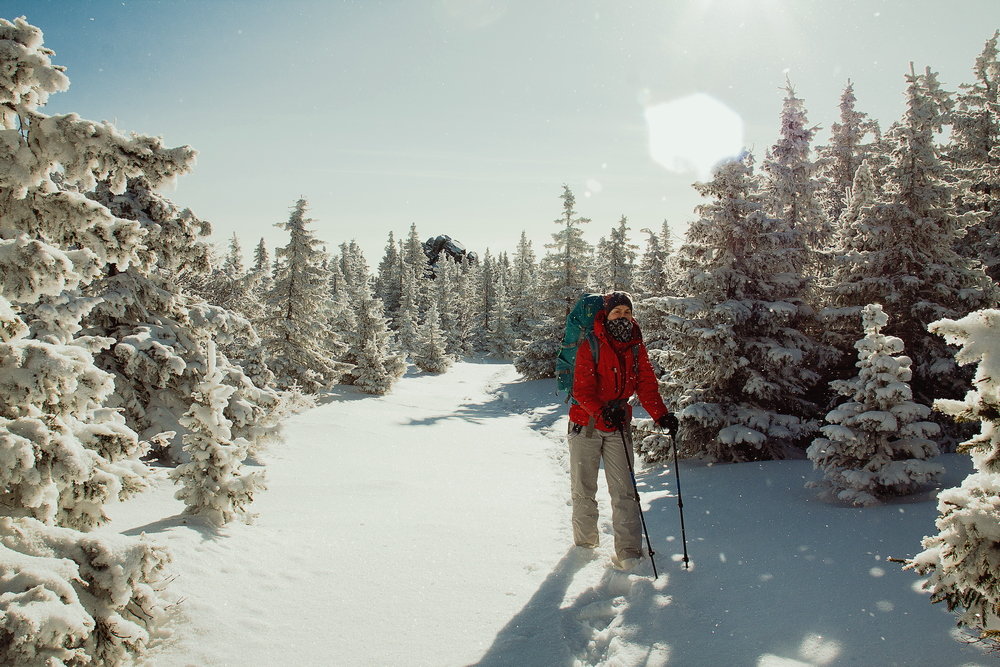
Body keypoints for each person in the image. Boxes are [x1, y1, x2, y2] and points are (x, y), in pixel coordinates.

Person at [568, 291, 678, 570]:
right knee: (584, 490)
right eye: (617, 312)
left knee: (625, 491)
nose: (623, 317)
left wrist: (662, 415)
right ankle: (585, 547)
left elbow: (646, 384)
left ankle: (629, 552)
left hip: (618, 426)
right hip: (586, 426)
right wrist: (602, 410)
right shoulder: (590, 344)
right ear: (606, 315)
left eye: (627, 312)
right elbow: (581, 388)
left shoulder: (636, 346)